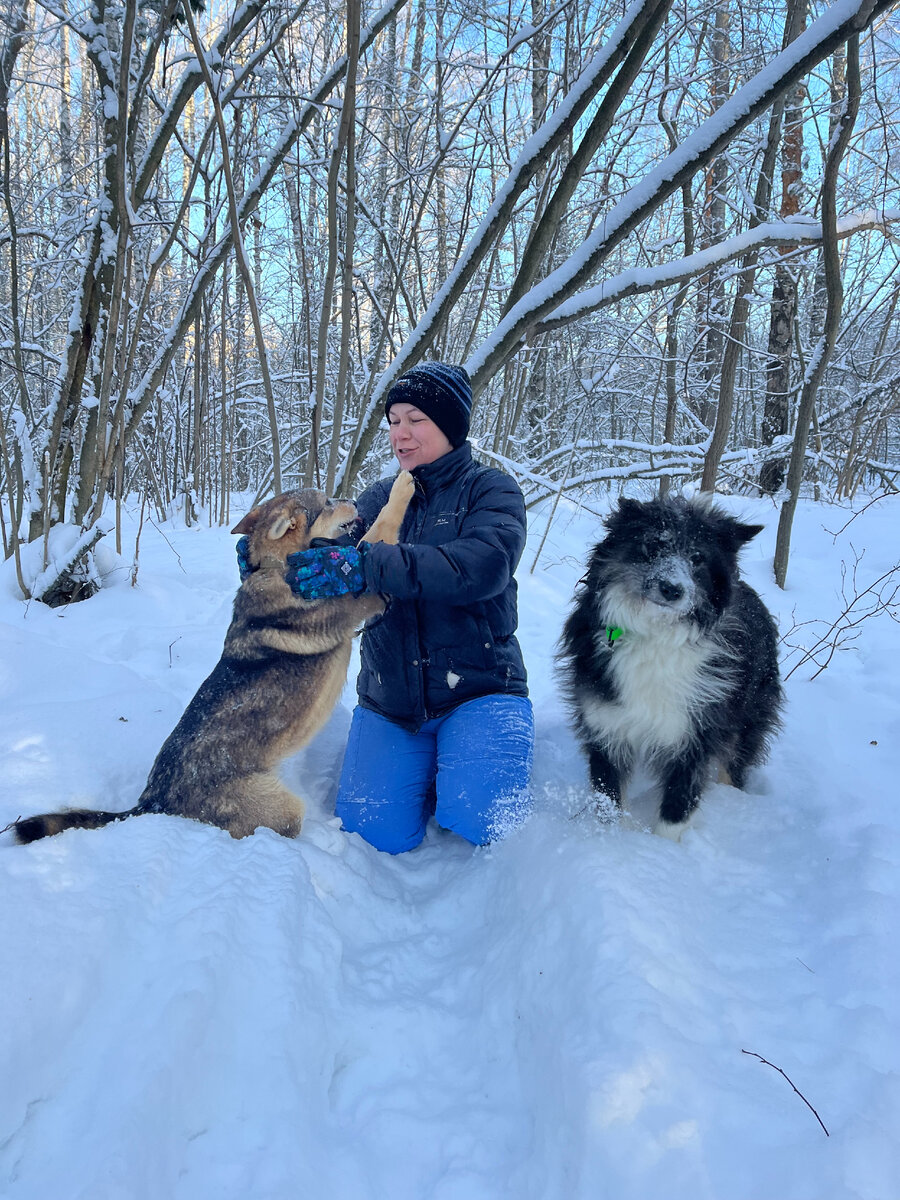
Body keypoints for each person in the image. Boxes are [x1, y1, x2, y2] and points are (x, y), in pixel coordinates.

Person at [280, 362, 533, 854]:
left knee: (485, 824)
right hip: (391, 701)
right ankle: (426, 767)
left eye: (415, 419)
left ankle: (461, 767)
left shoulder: (491, 491)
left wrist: (371, 566)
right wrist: (271, 560)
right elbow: (327, 556)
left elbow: (481, 567)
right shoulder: (379, 497)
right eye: (394, 421)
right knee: (373, 835)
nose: (401, 434)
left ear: (450, 426)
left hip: (481, 691)